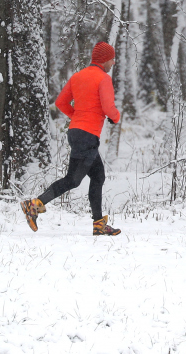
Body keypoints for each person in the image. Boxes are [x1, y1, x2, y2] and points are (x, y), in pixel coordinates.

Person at [21, 41, 122, 236]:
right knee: (73, 180)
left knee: (98, 176)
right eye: (112, 59)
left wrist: (77, 116)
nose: (113, 63)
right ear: (105, 60)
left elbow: (60, 102)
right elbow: (109, 108)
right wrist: (115, 117)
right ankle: (34, 205)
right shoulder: (103, 79)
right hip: (87, 135)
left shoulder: (78, 76)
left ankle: (98, 224)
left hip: (75, 132)